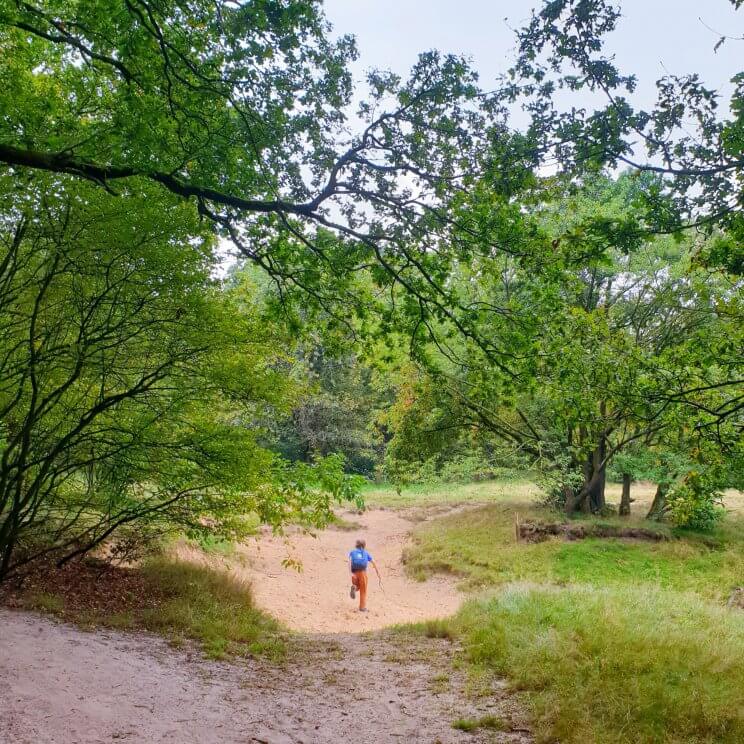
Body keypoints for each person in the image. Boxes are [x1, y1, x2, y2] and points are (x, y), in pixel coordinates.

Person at [348, 538, 380, 612]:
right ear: (364, 545)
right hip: (363, 573)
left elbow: (349, 562)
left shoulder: (352, 552)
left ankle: (354, 588)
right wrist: (377, 572)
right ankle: (362, 608)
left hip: (354, 572)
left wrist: (351, 573)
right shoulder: (366, 553)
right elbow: (373, 562)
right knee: (363, 590)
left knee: (358, 586)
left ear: (356, 545)